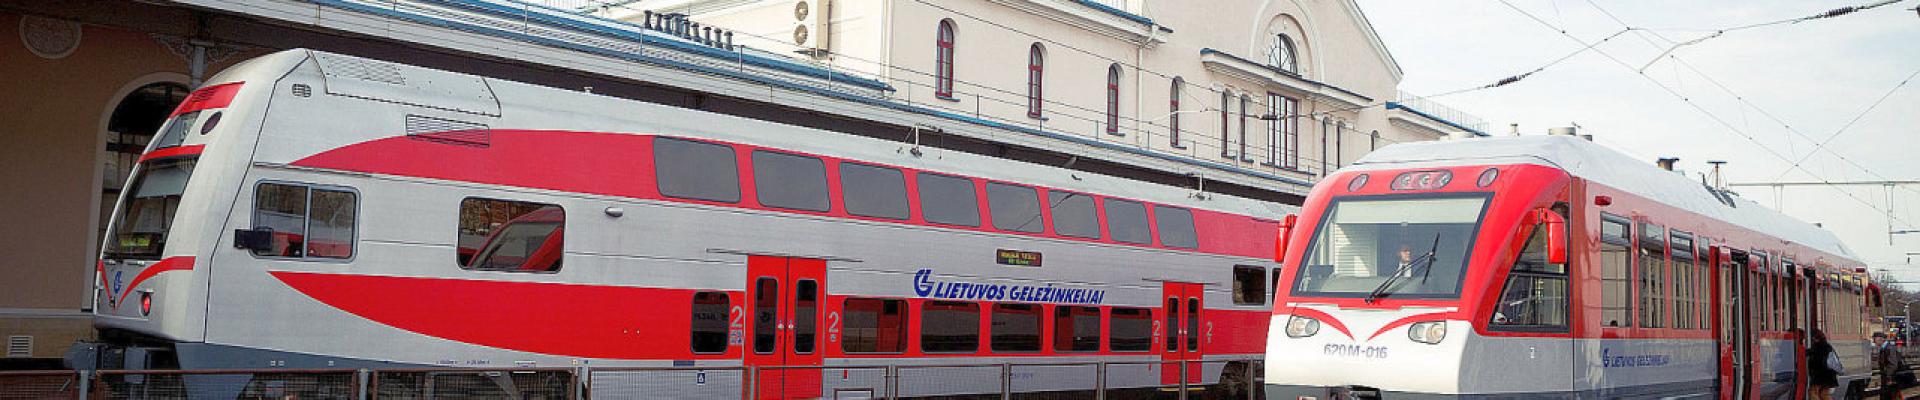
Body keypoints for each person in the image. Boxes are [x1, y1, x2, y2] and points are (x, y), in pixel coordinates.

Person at [1810, 329, 1840, 400]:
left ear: (1815, 337)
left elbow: (1816, 360)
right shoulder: (1827, 346)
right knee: (1824, 393)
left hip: (1820, 375)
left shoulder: (1817, 346)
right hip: (1829, 374)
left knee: (1813, 392)